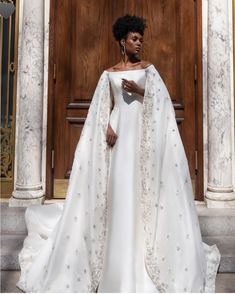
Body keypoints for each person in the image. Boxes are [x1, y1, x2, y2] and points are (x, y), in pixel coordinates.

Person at [16, 15, 221, 293]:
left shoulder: (149, 70)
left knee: (140, 192)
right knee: (121, 192)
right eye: (135, 39)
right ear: (122, 42)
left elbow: (162, 103)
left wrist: (141, 90)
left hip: (143, 142)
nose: (140, 44)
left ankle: (142, 263)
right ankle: (115, 263)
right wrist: (110, 124)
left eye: (141, 39)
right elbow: (103, 107)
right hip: (120, 142)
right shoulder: (109, 73)